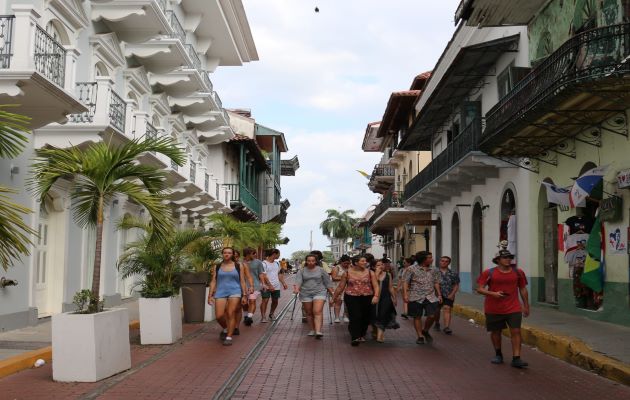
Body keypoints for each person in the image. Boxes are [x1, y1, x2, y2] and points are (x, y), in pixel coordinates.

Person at [476, 249, 530, 369]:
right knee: (496, 332)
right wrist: (493, 294)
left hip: (514, 307)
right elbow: (479, 289)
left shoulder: (518, 272)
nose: (508, 259)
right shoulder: (489, 273)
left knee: (516, 331)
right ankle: (498, 353)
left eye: (510, 257)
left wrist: (526, 305)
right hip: (493, 308)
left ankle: (516, 358)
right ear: (498, 260)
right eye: (505, 258)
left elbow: (522, 289)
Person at [333, 255, 380, 346]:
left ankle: (362, 334)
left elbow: (376, 285)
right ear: (356, 263)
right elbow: (340, 287)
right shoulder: (347, 273)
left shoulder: (370, 273)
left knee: (365, 317)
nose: (365, 262)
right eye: (362, 261)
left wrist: (376, 296)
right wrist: (334, 298)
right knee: (355, 316)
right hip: (351, 297)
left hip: (367, 297)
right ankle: (355, 337)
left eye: (365, 261)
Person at [207, 247, 247, 346]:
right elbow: (213, 281)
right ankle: (226, 328)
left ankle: (229, 336)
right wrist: (210, 295)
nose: (227, 254)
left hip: (235, 291)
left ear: (233, 254)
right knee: (219, 316)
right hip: (220, 292)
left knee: (230, 313)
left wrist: (244, 295)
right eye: (225, 253)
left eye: (229, 253)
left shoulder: (238, 266)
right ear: (222, 254)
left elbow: (242, 281)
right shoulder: (218, 266)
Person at [403, 251, 442, 345]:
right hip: (415, 296)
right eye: (429, 257)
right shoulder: (411, 269)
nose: (432, 259)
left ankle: (425, 330)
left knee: (432, 315)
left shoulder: (434, 269)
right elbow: (405, 282)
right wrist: (405, 294)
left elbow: (436, 282)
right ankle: (420, 336)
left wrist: (439, 294)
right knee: (417, 316)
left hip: (430, 296)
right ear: (423, 259)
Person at [293, 254, 334, 338]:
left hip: (319, 292)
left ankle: (318, 331)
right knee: (309, 312)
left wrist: (332, 293)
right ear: (306, 261)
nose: (311, 262)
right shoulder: (302, 271)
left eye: (313, 261)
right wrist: (297, 289)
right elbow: (298, 281)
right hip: (305, 293)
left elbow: (327, 282)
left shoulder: (321, 270)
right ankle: (312, 329)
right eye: (309, 261)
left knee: (317, 311)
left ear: (316, 261)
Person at [371, 259, 399, 342]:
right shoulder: (371, 274)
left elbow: (390, 287)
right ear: (373, 267)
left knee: (383, 315)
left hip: (385, 297)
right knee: (374, 315)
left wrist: (394, 297)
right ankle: (375, 331)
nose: (381, 266)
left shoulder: (388, 274)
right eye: (378, 265)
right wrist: (376, 273)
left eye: (382, 265)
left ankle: (380, 336)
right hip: (374, 297)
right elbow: (373, 283)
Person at [434, 256, 459, 334]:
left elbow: (456, 285)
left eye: (446, 261)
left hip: (448, 294)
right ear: (439, 262)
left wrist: (452, 294)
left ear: (449, 263)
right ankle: (437, 323)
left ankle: (446, 327)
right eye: (442, 261)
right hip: (436, 294)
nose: (444, 262)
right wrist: (439, 294)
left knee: (447, 308)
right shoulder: (434, 272)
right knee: (437, 310)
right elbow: (436, 283)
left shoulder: (453, 273)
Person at [260, 248, 287, 323]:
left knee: (275, 301)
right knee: (265, 300)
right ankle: (263, 316)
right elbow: (264, 276)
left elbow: (279, 274)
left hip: (276, 285)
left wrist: (283, 283)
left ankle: (271, 314)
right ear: (274, 254)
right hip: (266, 286)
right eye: (278, 254)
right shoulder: (264, 263)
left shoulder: (277, 263)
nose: (279, 255)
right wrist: (270, 285)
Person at [242, 247, 264, 326]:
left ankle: (249, 317)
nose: (255, 255)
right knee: (244, 303)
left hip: (254, 285)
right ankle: (245, 316)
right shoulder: (240, 262)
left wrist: (263, 283)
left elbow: (261, 273)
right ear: (248, 254)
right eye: (253, 253)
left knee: (252, 301)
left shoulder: (258, 262)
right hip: (242, 285)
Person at [331, 255, 351, 323]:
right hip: (338, 287)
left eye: (348, 263)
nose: (346, 264)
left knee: (347, 303)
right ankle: (337, 317)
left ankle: (345, 315)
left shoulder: (350, 267)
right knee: (338, 302)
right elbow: (334, 277)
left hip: (348, 287)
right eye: (345, 263)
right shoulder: (336, 268)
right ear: (341, 262)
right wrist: (344, 278)